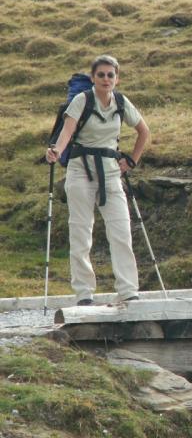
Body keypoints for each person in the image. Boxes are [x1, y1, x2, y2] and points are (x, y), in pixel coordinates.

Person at [45, 55, 150, 306]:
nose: (106, 79)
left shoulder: (122, 102)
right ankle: (84, 293)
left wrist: (132, 161)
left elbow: (144, 131)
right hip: (80, 171)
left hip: (111, 173)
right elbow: (67, 132)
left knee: (121, 231)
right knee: (81, 232)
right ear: (93, 78)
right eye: (101, 74)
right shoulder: (82, 100)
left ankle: (128, 290)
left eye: (110, 75)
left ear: (117, 78)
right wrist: (56, 151)